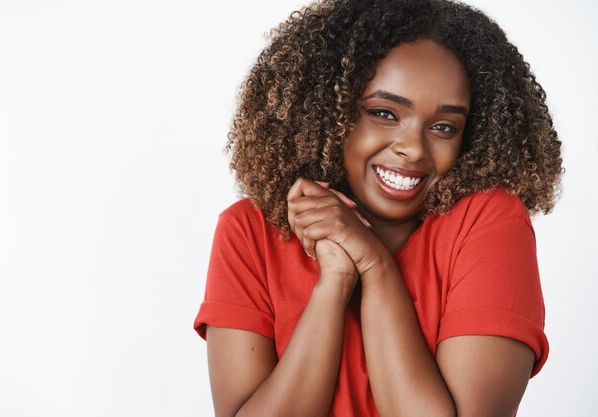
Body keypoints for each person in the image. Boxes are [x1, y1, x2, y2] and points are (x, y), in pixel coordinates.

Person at [193, 0, 562, 415]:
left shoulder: (487, 223)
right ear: (327, 112)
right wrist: (334, 282)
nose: (413, 148)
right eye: (384, 113)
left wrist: (375, 265)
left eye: (444, 126)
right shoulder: (250, 232)